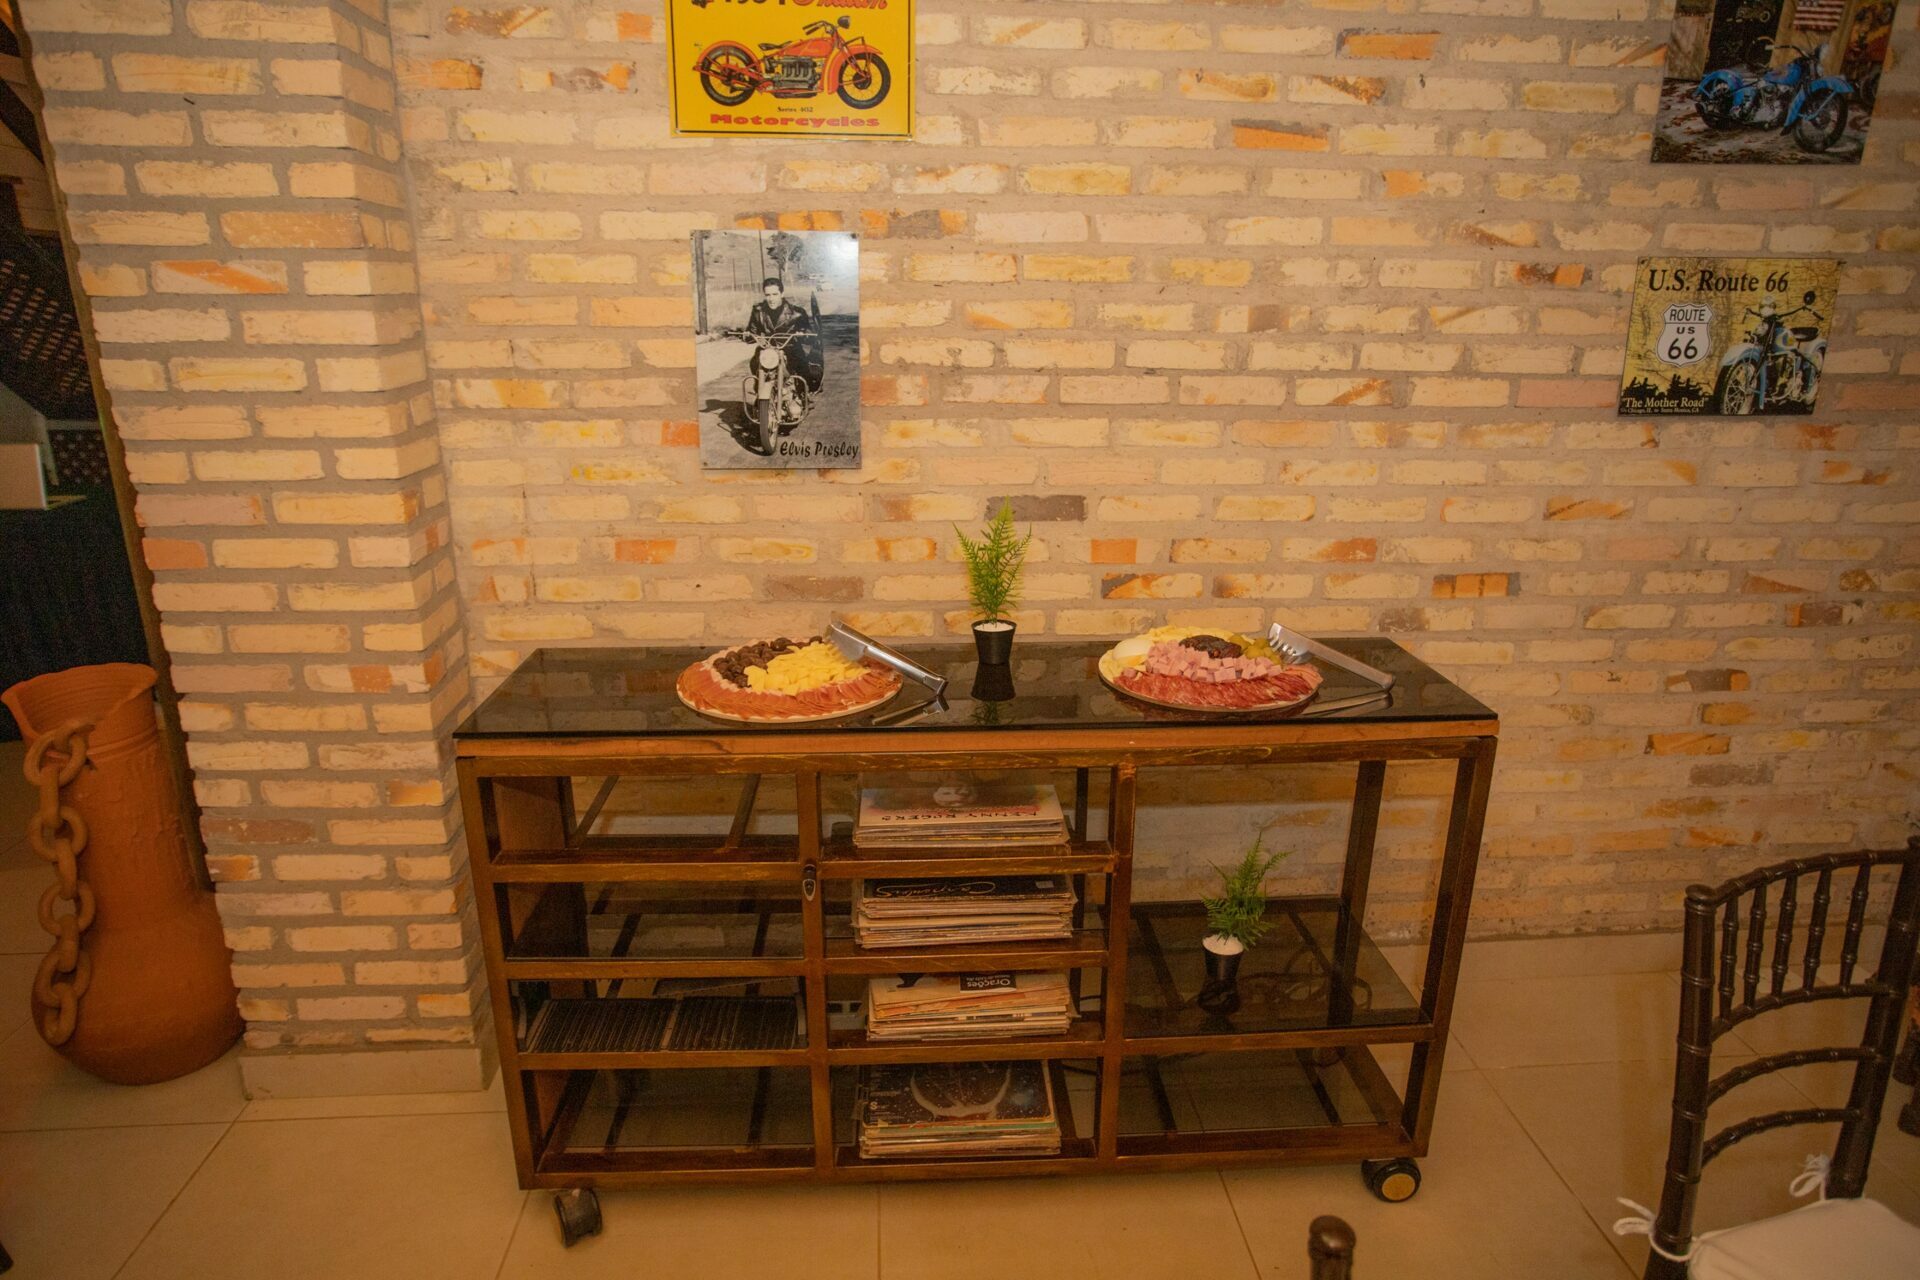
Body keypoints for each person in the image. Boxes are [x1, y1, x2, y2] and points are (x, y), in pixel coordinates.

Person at [746, 277, 812, 339]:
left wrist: (802, 334)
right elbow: (751, 335)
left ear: (782, 294)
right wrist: (747, 335)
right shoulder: (758, 311)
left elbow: (810, 337)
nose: (771, 299)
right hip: (767, 346)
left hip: (790, 347)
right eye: (767, 295)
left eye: (775, 294)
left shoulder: (798, 313)